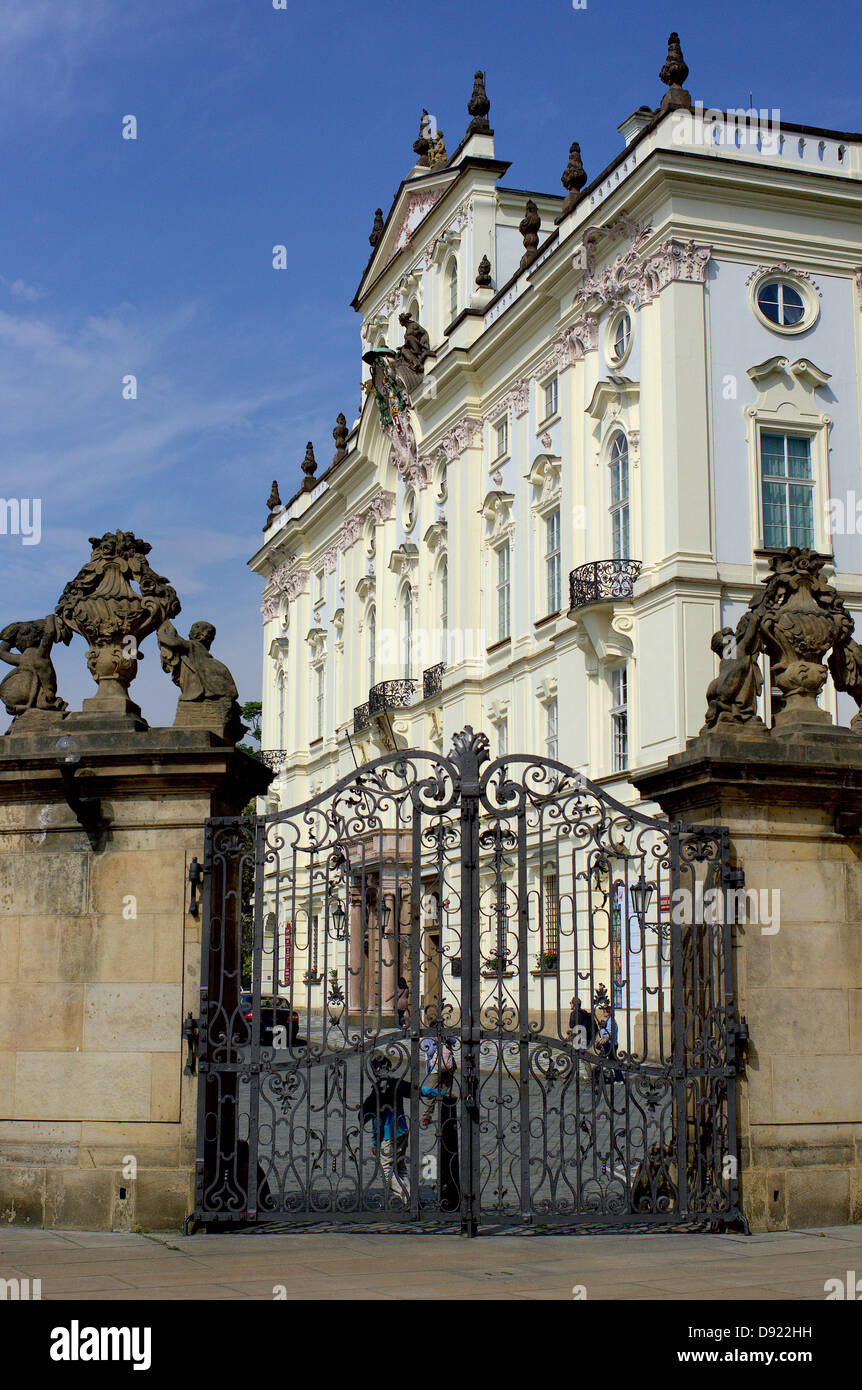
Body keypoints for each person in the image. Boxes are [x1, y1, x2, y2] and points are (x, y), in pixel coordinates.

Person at [360, 1055, 411, 1203]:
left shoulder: (377, 1092)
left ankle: (406, 1197)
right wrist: (441, 1094)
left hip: (389, 1135)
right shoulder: (397, 1084)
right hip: (403, 1131)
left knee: (386, 1169)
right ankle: (411, 1196)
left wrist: (375, 1143)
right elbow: (419, 1090)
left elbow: (375, 1122)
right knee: (400, 1166)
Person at [419, 1035, 457, 1127]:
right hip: (435, 1070)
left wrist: (445, 1038)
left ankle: (447, 1114)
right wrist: (435, 1042)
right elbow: (429, 1052)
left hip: (448, 1067)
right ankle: (427, 1116)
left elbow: (454, 1041)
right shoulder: (427, 1038)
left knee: (447, 1092)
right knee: (431, 1091)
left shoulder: (445, 1035)